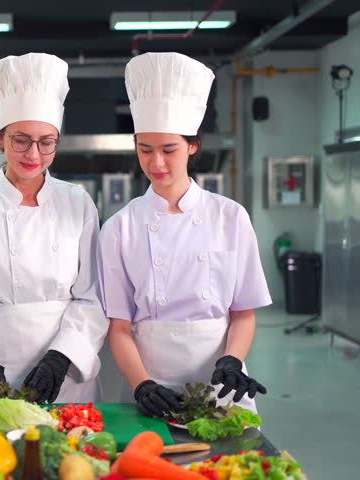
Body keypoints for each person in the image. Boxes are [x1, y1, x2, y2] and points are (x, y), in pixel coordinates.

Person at [99, 53, 272, 417]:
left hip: (221, 382)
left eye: (169, 150)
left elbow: (243, 313)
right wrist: (142, 385)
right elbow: (119, 327)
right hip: (149, 379)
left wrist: (232, 360)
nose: (156, 163)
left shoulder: (230, 217)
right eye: (145, 150)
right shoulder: (119, 227)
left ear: (193, 145)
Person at [0, 53, 107, 404]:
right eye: (21, 140)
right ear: (0, 139)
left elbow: (94, 294)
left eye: (46, 142)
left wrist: (61, 356)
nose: (33, 154)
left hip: (67, 372)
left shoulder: (78, 203)